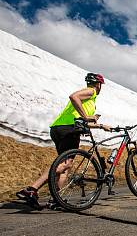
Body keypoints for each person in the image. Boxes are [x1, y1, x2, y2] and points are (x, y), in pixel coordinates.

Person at [16, 73, 111, 210]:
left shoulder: (87, 102)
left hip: (58, 128)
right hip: (69, 130)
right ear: (99, 84)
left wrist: (100, 125)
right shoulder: (91, 92)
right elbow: (73, 96)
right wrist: (86, 117)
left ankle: (55, 199)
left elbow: (79, 119)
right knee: (64, 164)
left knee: (65, 166)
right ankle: (32, 189)